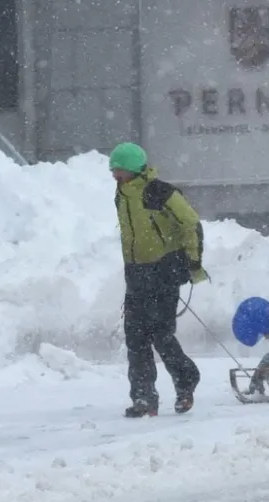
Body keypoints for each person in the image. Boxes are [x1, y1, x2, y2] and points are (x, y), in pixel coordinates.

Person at [110, 142, 209, 418]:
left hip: (163, 271)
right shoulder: (121, 195)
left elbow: (190, 223)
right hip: (136, 274)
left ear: (131, 169)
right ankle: (144, 398)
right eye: (113, 170)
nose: (115, 175)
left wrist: (192, 261)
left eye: (119, 170)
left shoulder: (160, 192)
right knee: (135, 337)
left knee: (160, 335)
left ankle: (185, 379)